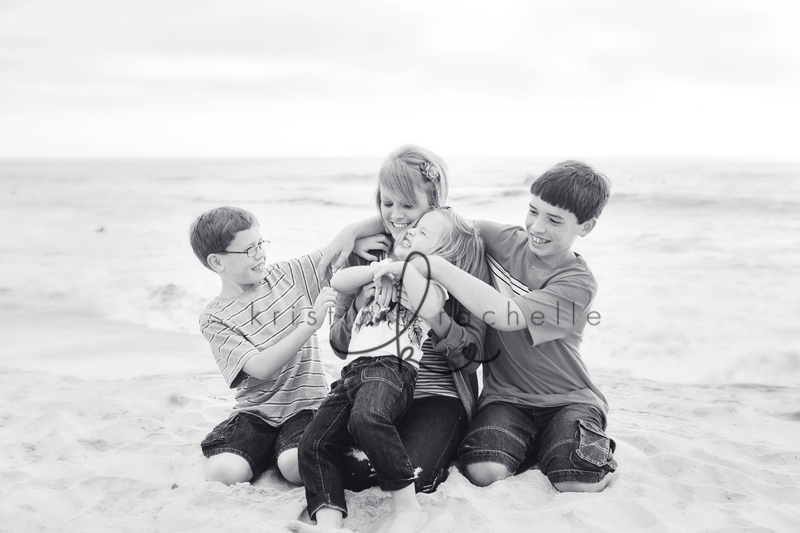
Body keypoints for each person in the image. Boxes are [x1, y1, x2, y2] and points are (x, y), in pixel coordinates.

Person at [393, 160, 618, 493]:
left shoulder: (577, 283)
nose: (537, 227)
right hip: (504, 398)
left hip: (568, 398)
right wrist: (352, 233)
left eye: (554, 220)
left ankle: (574, 450)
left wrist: (435, 266)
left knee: (577, 480)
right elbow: (435, 219)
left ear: (586, 227)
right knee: (484, 471)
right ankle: (541, 448)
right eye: (533, 211)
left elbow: (506, 315)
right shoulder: (500, 239)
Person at [292, 208, 484, 533]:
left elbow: (431, 307)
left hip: (392, 370)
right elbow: (339, 280)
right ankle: (328, 522)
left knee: (367, 419)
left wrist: (407, 266)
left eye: (422, 233)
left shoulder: (433, 284)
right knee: (314, 443)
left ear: (440, 257)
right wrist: (374, 273)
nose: (409, 231)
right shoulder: (381, 269)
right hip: (352, 374)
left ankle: (408, 510)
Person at [320, 145, 490, 497]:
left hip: (436, 393)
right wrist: (362, 299)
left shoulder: (459, 251)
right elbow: (338, 344)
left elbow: (473, 355)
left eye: (407, 206)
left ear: (434, 205)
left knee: (413, 477)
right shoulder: (368, 252)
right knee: (341, 468)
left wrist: (435, 316)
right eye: (386, 203)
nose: (395, 216)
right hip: (373, 387)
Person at [189, 206, 337, 486]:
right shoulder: (214, 317)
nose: (260, 254)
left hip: (305, 408)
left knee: (295, 466)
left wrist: (356, 230)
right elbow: (260, 368)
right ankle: (264, 451)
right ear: (217, 262)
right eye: (249, 250)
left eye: (260, 244)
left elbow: (337, 251)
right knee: (222, 473)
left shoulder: (286, 276)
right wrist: (310, 324)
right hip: (255, 414)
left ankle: (282, 451)